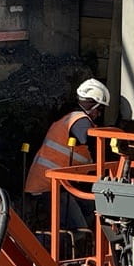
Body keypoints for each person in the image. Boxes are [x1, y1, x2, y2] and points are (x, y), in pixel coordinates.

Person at [25, 78, 110, 231]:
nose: (99, 114)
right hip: (49, 186)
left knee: (93, 209)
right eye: (100, 109)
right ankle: (43, 250)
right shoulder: (79, 120)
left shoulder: (69, 118)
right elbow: (85, 137)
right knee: (78, 229)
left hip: (57, 185)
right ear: (93, 105)